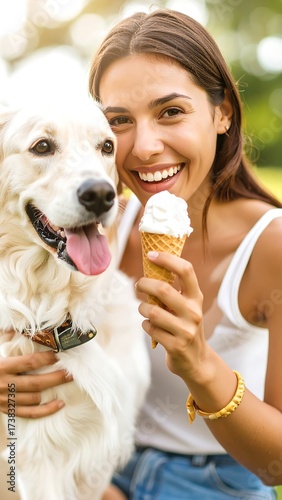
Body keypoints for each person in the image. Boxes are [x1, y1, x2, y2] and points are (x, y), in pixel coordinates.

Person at [1, 8, 282, 499]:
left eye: (170, 112)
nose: (145, 147)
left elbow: (278, 466)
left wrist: (198, 361)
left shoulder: (271, 246)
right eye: (119, 122)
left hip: (210, 484)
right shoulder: (100, 216)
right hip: (100, 471)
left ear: (223, 113)